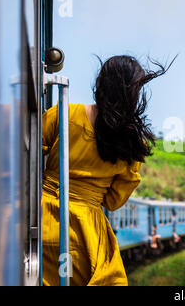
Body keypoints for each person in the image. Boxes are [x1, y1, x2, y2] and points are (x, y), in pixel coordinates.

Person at [41, 55, 171, 286]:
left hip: (45, 221)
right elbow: (112, 202)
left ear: (100, 83)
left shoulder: (64, 113)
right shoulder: (131, 143)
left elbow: (26, 154)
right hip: (86, 235)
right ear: (134, 94)